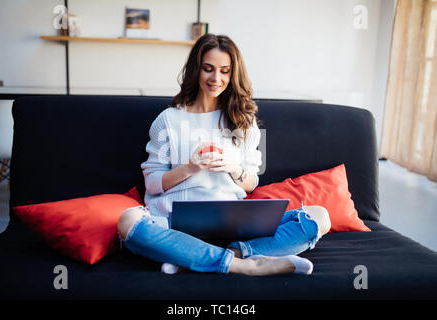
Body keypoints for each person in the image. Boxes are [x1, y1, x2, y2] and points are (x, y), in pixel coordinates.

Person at [117, 33, 331, 276]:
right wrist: (189, 168)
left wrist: (234, 168)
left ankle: (203, 255)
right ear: (196, 70)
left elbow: (252, 182)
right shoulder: (168, 120)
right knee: (128, 221)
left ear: (233, 74)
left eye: (224, 71)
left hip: (231, 225)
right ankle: (244, 265)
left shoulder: (245, 120)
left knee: (320, 216)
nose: (216, 78)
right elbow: (152, 185)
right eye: (208, 69)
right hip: (172, 224)